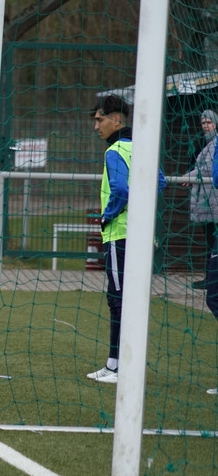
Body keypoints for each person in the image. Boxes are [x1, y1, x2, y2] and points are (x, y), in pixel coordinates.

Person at [86, 94, 166, 384]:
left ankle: (120, 368)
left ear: (117, 119)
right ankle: (115, 364)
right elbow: (160, 181)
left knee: (117, 299)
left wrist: (107, 215)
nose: (97, 126)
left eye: (100, 120)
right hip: (141, 235)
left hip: (120, 235)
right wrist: (141, 209)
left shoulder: (115, 150)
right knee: (128, 299)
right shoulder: (141, 147)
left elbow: (119, 190)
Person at [184, 109, 218, 289]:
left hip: (212, 201)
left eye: (209, 122)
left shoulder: (215, 143)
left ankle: (211, 280)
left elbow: (207, 169)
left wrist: (189, 176)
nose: (206, 126)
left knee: (213, 242)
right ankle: (209, 278)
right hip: (206, 201)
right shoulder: (204, 143)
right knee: (210, 241)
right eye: (203, 123)